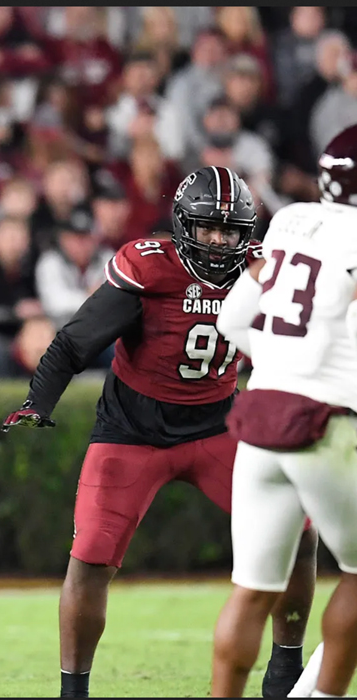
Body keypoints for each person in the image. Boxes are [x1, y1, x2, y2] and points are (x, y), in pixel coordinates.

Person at [1, 167, 317, 698]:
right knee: (91, 556)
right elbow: (76, 341)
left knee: (299, 529)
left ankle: (286, 668)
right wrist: (39, 399)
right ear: (181, 225)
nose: (219, 243)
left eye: (230, 231)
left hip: (218, 424)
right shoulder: (150, 268)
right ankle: (73, 691)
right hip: (132, 430)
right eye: (207, 230)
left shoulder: (264, 271)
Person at [210, 124, 357, 698]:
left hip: (261, 416)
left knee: (252, 589)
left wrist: (281, 362)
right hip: (325, 424)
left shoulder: (292, 220)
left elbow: (231, 321)